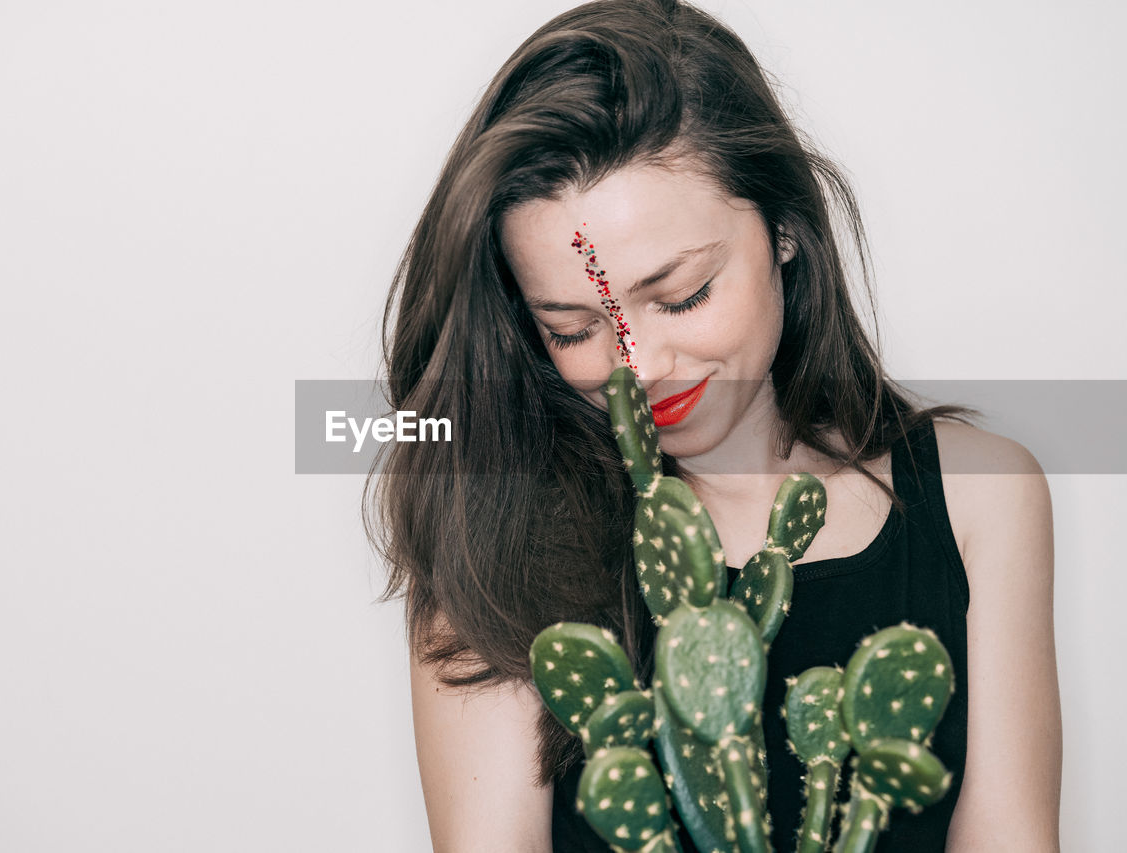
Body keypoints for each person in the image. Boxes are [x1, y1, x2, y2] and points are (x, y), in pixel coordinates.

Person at [364, 1, 1061, 850]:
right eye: (573, 329)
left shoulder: (985, 497)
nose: (639, 365)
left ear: (785, 230)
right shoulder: (490, 535)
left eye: (683, 293)